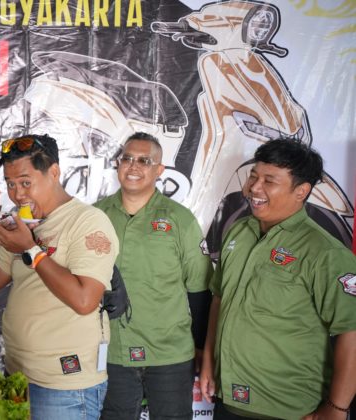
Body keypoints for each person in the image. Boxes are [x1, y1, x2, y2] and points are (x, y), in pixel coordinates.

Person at [200, 138, 356, 418]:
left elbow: (352, 330)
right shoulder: (238, 231)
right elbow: (219, 298)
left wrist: (336, 408)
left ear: (301, 191)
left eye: (269, 181)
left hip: (288, 409)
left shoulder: (325, 252)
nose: (254, 187)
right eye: (254, 176)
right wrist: (209, 361)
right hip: (229, 399)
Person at [0, 134, 119, 420]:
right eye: (10, 184)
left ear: (54, 173)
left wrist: (31, 249)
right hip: (17, 373)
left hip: (64, 384)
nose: (17, 194)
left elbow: (84, 301)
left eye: (25, 183)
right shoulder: (21, 222)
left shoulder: (87, 221)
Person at [94, 133, 213, 420]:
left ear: (159, 170)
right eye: (127, 158)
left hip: (169, 355)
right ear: (118, 164)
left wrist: (200, 346)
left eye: (144, 161)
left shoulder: (180, 219)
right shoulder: (95, 216)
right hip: (112, 352)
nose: (133, 166)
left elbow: (199, 290)